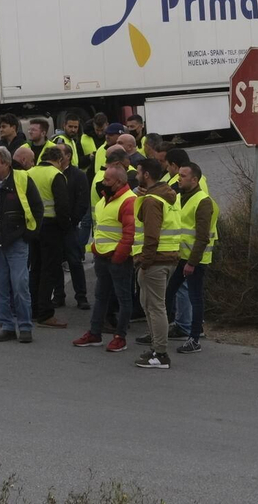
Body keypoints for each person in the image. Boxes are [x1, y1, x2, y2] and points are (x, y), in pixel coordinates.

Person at [0, 147, 43, 343]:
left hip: (17, 242)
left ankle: (25, 326)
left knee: (20, 285)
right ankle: (6, 326)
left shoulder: (22, 179)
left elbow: (37, 207)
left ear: (6, 163)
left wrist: (30, 234)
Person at [72, 158, 139, 353]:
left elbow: (129, 233)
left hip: (117, 259)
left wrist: (118, 256)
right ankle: (95, 333)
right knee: (100, 296)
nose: (103, 183)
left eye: (107, 180)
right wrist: (95, 248)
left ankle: (120, 337)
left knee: (124, 299)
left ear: (118, 182)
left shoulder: (128, 200)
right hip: (102, 257)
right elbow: (101, 228)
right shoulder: (104, 198)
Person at [131, 160, 181, 369]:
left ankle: (160, 354)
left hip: (155, 260)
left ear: (147, 175)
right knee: (151, 305)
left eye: (139, 172)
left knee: (155, 307)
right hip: (168, 258)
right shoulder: (167, 194)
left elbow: (152, 236)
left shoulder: (152, 201)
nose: (135, 176)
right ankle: (156, 349)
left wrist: (144, 261)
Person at [168, 163, 217, 355]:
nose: (178, 178)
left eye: (183, 176)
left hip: (195, 260)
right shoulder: (180, 197)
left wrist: (192, 263)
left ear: (194, 180)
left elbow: (202, 236)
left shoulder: (203, 201)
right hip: (182, 257)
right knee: (169, 292)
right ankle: (162, 329)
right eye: (179, 175)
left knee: (195, 299)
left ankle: (194, 338)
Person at [26, 145, 70, 329]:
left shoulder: (29, 173)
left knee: (35, 268)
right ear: (59, 160)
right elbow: (62, 205)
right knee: (49, 270)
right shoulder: (56, 175)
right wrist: (65, 227)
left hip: (32, 225)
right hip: (51, 227)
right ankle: (46, 313)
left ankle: (34, 309)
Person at [49, 140, 91, 310]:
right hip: (54, 226)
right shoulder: (50, 173)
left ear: (68, 156)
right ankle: (59, 296)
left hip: (70, 227)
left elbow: (82, 202)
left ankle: (81, 296)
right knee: (55, 261)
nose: (56, 156)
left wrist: (71, 221)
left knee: (74, 261)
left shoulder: (78, 175)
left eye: (60, 152)